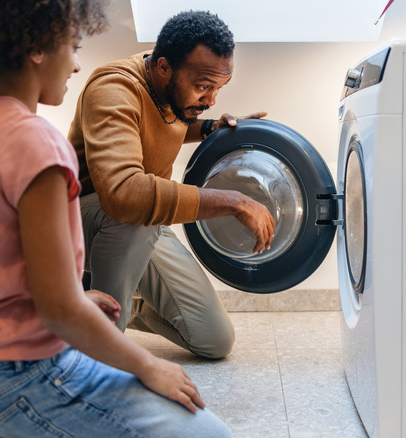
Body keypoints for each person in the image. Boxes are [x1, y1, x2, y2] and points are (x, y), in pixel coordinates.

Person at [0, 0, 231, 436]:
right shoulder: (37, 143)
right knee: (213, 434)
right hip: (21, 374)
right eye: (71, 47)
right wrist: (150, 367)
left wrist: (73, 299)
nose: (75, 66)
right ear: (35, 48)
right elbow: (60, 312)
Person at [68, 10, 275, 360]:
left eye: (218, 88)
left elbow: (166, 124)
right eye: (203, 87)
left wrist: (209, 128)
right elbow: (123, 195)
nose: (210, 100)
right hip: (85, 223)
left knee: (214, 340)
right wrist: (234, 201)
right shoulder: (113, 89)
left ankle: (121, 306)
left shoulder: (174, 96)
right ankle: (100, 353)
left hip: (139, 225)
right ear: (164, 67)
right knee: (133, 213)